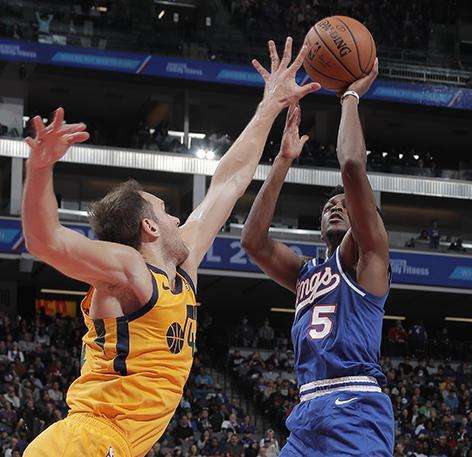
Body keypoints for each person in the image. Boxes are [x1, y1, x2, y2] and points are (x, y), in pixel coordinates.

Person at [22, 37, 320, 457]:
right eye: (166, 212)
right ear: (149, 228)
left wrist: (270, 105)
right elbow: (45, 241)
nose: (179, 219)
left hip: (118, 445)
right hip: (86, 442)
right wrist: (39, 168)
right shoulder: (129, 270)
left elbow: (228, 183)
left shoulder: (182, 269)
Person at [241, 58, 394, 456]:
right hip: (307, 411)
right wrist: (282, 161)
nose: (335, 208)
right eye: (328, 206)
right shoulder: (305, 273)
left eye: (345, 204)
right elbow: (253, 242)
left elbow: (352, 165)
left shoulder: (366, 257)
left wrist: (350, 96)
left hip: (356, 407)